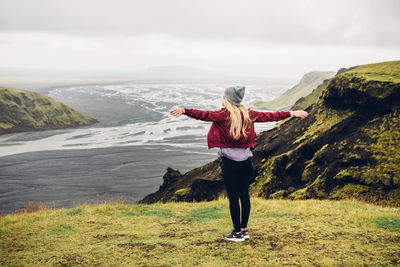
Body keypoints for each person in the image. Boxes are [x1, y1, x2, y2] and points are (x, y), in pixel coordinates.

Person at [170, 86, 308, 242]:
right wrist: (291, 113)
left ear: (227, 99)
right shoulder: (249, 114)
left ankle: (236, 233)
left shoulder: (222, 115)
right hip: (247, 163)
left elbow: (203, 115)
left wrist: (184, 110)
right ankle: (244, 229)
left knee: (234, 198)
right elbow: (271, 116)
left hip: (230, 165)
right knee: (244, 196)